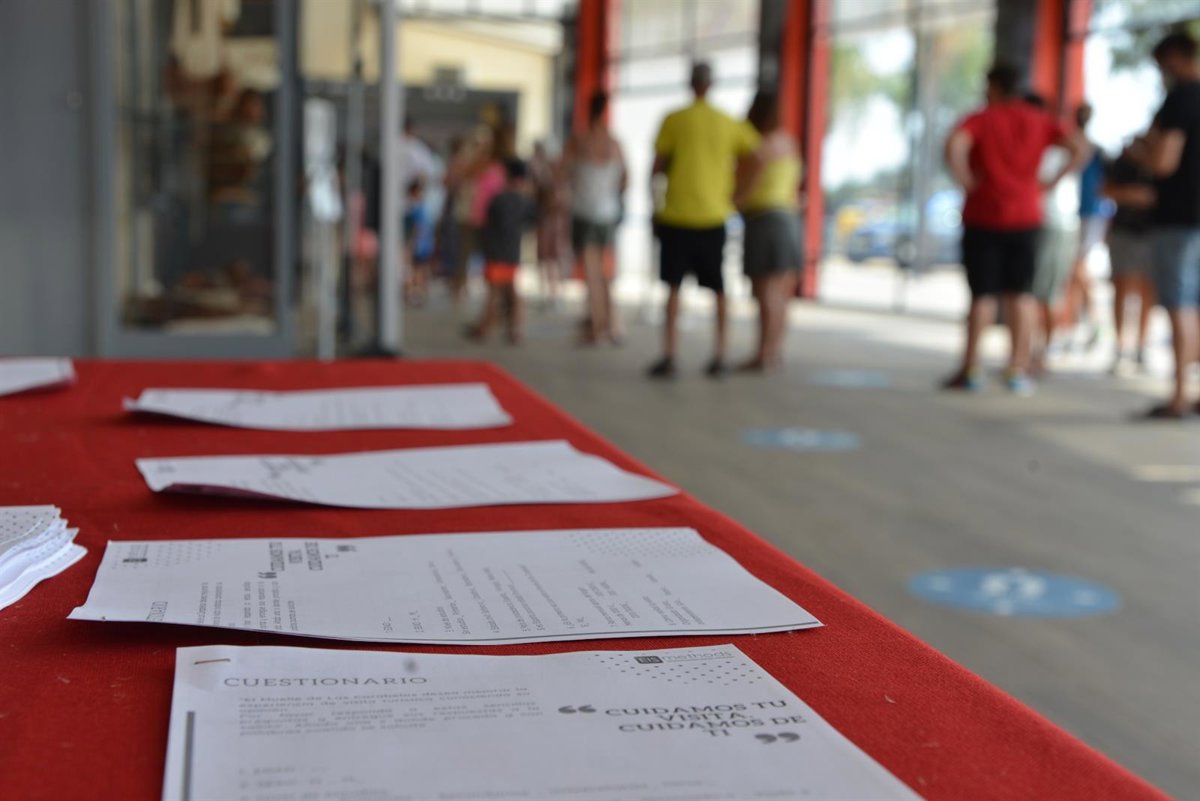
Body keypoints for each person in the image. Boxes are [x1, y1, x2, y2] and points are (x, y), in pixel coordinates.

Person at [943, 64, 1085, 394]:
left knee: (982, 296)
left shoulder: (982, 118)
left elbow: (954, 145)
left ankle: (971, 369)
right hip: (1026, 216)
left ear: (993, 86)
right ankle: (1017, 369)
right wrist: (1050, 183)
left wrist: (965, 180)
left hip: (983, 214)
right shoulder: (1039, 120)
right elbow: (1079, 148)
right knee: (1022, 296)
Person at [648, 62, 760, 378]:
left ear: (690, 84)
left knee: (672, 288)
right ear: (711, 85)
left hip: (676, 215)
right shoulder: (726, 122)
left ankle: (670, 355)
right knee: (718, 289)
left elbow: (657, 167)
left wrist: (654, 206)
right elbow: (758, 157)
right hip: (713, 216)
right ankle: (720, 355)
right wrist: (740, 196)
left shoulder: (674, 119)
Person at [1132, 32, 1200, 418]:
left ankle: (1179, 395)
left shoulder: (1181, 99)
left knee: (1181, 304)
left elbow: (1164, 162)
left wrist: (1139, 152)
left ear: (1173, 58)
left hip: (1180, 216)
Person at [734, 90, 802, 372]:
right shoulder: (789, 143)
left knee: (765, 292)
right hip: (789, 219)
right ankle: (775, 351)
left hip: (764, 220)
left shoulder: (759, 146)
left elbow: (748, 186)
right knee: (781, 293)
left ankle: (762, 354)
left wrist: (733, 202)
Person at [564, 92, 627, 345]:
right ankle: (612, 324)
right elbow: (625, 179)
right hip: (607, 213)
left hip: (585, 212)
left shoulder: (579, 140)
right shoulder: (614, 143)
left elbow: (561, 172)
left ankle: (597, 324)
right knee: (605, 272)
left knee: (591, 272)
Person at [1025, 92, 1080, 375]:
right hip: (1041, 223)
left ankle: (1042, 351)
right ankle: (1032, 351)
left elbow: (1081, 150)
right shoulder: (1048, 144)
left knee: (1044, 292)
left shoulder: (1053, 145)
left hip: (1054, 224)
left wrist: (1047, 184)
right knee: (1035, 292)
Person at [466, 158, 536, 344]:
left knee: (495, 291)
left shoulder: (499, 200)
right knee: (510, 290)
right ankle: (513, 328)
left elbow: (488, 225)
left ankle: (487, 326)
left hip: (496, 252)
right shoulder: (525, 202)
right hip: (512, 252)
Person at [1104, 136, 1158, 373]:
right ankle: (1120, 347)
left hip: (1153, 234)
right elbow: (1104, 189)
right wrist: (1130, 195)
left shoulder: (1163, 162)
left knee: (1148, 291)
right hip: (1124, 231)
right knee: (1122, 287)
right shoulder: (1124, 162)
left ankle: (1141, 347)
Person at [1063, 103, 1106, 349]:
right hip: (1073, 212)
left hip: (1088, 212)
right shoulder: (1074, 143)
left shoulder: (1088, 147)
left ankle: (1094, 320)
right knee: (1073, 271)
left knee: (1077, 267)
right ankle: (1077, 324)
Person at [529, 140, 568, 308]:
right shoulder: (542, 174)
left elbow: (560, 201)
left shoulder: (555, 177)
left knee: (553, 258)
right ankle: (548, 291)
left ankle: (554, 292)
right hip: (546, 220)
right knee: (546, 258)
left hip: (553, 222)